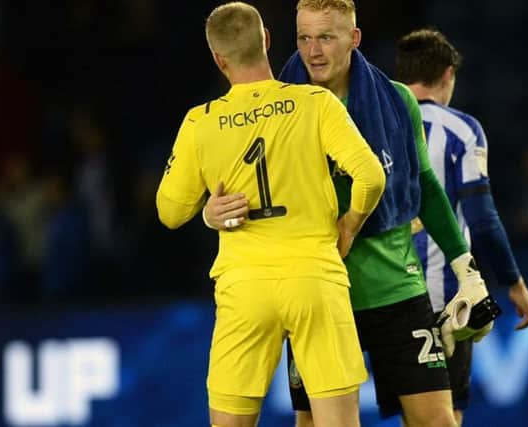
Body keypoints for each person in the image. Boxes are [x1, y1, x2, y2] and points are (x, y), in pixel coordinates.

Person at [204, 2, 501, 427]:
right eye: (305, 38)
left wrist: (465, 268)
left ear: (354, 38)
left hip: (396, 289)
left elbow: (426, 186)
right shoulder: (266, 110)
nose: (313, 51)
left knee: (437, 421)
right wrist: (211, 214)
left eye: (326, 37)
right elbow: (232, 188)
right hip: (318, 296)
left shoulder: (397, 101)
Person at [155, 3, 387, 427]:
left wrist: (209, 214)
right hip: (314, 279)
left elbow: (169, 212)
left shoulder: (199, 123)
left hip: (244, 287)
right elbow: (371, 177)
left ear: (218, 59)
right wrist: (350, 224)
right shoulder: (314, 102)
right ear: (266, 39)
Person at [395, 27, 528, 426]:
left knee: (409, 414)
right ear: (447, 75)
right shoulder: (460, 130)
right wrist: (514, 283)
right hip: (445, 301)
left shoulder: (375, 127)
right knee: (445, 415)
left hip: (384, 296)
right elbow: (481, 216)